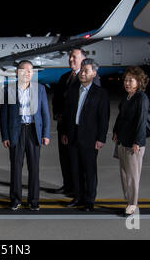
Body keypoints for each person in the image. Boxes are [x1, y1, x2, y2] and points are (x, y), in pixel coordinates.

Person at [0, 60, 50, 211]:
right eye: (23, 70)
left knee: (34, 168)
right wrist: (5, 136)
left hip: (34, 131)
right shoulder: (9, 90)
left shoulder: (40, 89)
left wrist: (46, 133)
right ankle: (15, 199)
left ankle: (34, 200)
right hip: (17, 131)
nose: (26, 73)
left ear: (33, 73)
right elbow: (4, 115)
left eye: (29, 71)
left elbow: (45, 113)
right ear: (16, 73)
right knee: (16, 167)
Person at [62, 58, 109, 212]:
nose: (82, 73)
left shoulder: (100, 94)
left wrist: (101, 138)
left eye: (86, 71)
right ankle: (78, 197)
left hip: (90, 138)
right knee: (74, 168)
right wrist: (65, 133)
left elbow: (104, 118)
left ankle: (89, 200)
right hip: (73, 134)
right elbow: (67, 114)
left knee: (89, 170)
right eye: (81, 70)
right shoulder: (73, 90)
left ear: (94, 73)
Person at [51, 48, 100, 195]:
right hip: (64, 127)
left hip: (80, 129)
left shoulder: (92, 78)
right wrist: (57, 114)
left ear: (83, 59)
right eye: (70, 57)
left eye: (74, 57)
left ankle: (83, 191)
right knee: (65, 159)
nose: (71, 59)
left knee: (81, 162)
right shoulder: (65, 77)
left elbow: (93, 105)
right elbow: (56, 100)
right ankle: (68, 185)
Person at [112, 66, 150, 216]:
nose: (127, 83)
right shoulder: (127, 97)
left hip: (133, 143)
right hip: (122, 140)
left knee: (133, 175)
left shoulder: (141, 98)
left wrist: (138, 142)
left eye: (131, 80)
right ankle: (128, 200)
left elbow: (141, 121)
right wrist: (115, 131)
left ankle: (133, 204)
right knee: (124, 173)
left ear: (139, 82)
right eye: (126, 80)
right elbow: (121, 117)